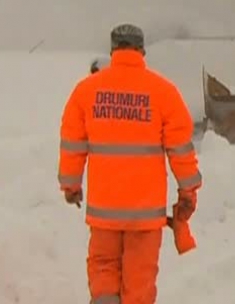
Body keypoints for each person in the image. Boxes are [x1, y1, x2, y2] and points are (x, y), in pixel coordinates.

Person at [58, 23, 203, 304]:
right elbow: (181, 149)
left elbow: (72, 143)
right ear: (141, 51)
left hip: (104, 210)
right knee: (139, 281)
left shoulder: (86, 91)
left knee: (103, 271)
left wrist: (71, 185)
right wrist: (188, 191)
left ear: (113, 51)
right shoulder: (163, 92)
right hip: (145, 215)